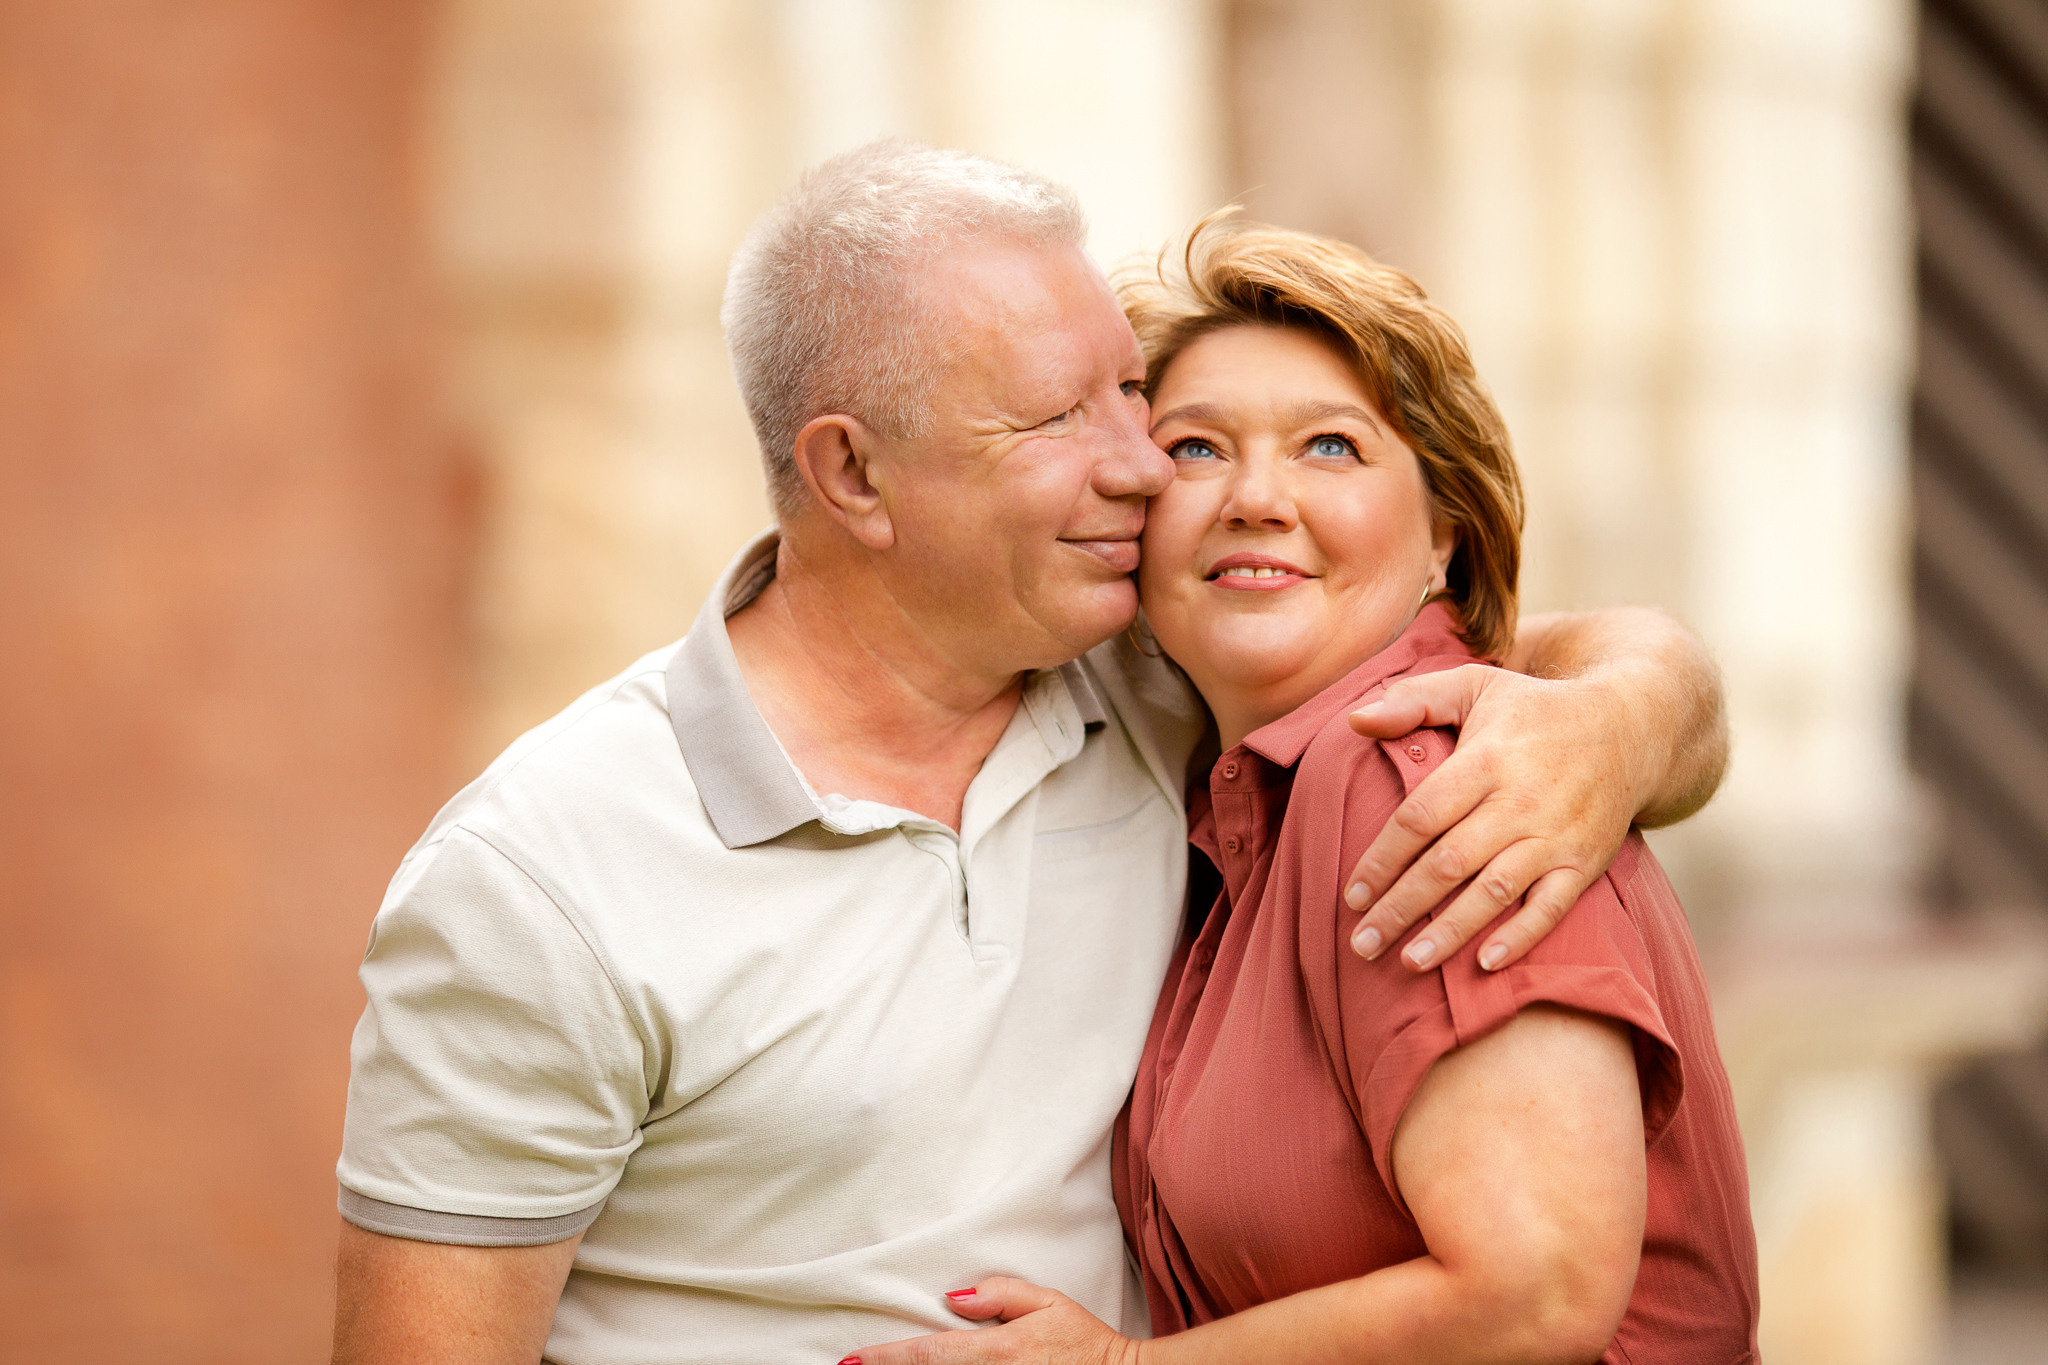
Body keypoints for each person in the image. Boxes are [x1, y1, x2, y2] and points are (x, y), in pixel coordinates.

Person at [329, 144, 1732, 1364]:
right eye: (1064, 418)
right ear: (853, 474)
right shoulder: (543, 873)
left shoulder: (1177, 685)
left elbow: (1494, 659)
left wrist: (1623, 718)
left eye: (1133, 396)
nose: (1139, 469)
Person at [843, 220, 1757, 1365]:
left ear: (1444, 538)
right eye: (1192, 451)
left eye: (1328, 448)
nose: (1255, 498)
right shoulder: (1238, 799)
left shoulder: (1410, 768)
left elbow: (1537, 1289)